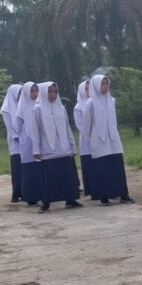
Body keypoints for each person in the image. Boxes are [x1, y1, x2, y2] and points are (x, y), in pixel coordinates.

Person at [29, 81, 83, 211]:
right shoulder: (37, 109)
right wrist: (36, 150)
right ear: (43, 92)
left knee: (66, 177)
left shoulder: (61, 108)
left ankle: (70, 199)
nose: (53, 94)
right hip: (48, 151)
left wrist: (72, 146)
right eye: (50, 91)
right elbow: (35, 131)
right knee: (49, 179)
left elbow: (67, 128)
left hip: (64, 150)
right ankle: (46, 202)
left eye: (55, 92)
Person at [84, 75, 134, 206]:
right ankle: (104, 196)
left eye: (107, 84)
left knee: (117, 168)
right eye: (103, 84)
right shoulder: (91, 103)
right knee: (102, 169)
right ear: (96, 86)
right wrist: (90, 141)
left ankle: (123, 195)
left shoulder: (111, 100)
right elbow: (86, 125)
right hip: (99, 141)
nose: (106, 86)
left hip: (113, 140)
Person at [1, 84, 23, 202]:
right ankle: (16, 194)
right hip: (15, 142)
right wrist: (16, 136)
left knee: (24, 168)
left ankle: (24, 192)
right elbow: (9, 126)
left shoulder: (21, 105)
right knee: (16, 168)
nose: (20, 95)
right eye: (18, 93)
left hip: (24, 141)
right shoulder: (6, 109)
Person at [73, 80, 93, 198]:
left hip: (96, 139)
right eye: (86, 88)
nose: (88, 90)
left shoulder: (94, 102)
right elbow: (80, 125)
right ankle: (89, 189)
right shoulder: (78, 107)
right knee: (88, 165)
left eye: (89, 88)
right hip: (86, 140)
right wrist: (89, 136)